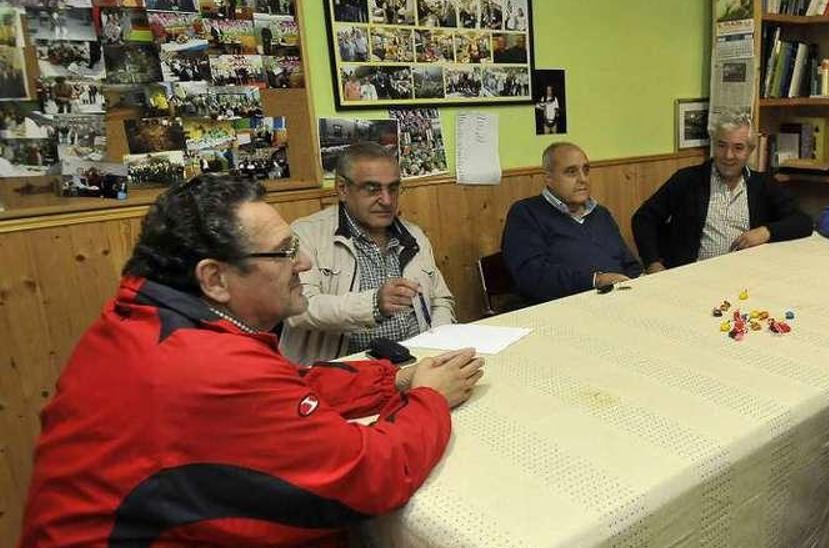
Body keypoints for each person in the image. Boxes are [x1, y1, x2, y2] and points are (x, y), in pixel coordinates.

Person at [20, 175, 485, 546]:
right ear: (215, 278)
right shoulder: (204, 369)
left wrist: (394, 379)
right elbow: (371, 477)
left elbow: (286, 385)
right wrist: (429, 398)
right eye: (285, 251)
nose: (304, 262)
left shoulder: (150, 318)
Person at [280, 143, 454, 365]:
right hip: (342, 373)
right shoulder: (307, 234)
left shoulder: (414, 235)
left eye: (393, 188)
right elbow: (300, 310)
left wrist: (441, 346)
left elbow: (441, 300)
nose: (387, 200)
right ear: (343, 189)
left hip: (416, 364)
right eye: (373, 189)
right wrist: (372, 305)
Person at [631, 113, 811, 272]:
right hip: (691, 277)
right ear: (713, 146)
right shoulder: (687, 180)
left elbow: (803, 222)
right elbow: (643, 218)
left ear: (750, 150)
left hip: (747, 277)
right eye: (722, 146)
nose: (728, 155)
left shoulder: (762, 184)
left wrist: (766, 232)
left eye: (738, 148)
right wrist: (653, 264)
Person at [501, 142, 643, 303]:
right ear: (549, 178)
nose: (583, 179)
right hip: (564, 307)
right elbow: (531, 277)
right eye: (571, 172)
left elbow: (630, 264)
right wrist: (595, 281)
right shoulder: (526, 213)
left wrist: (642, 282)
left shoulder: (600, 213)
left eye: (586, 170)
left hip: (620, 299)